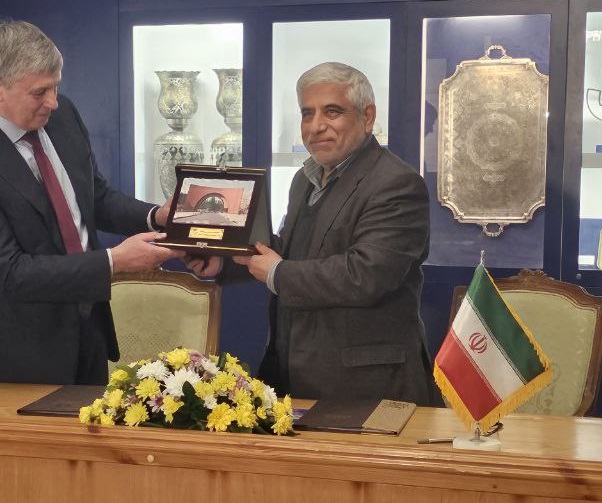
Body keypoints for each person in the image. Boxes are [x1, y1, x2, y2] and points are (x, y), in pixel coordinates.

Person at [0, 19, 181, 386]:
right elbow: (9, 272)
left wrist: (156, 216)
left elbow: (95, 198)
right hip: (18, 356)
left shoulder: (63, 116)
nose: (53, 102)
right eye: (40, 92)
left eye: (56, 87)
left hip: (88, 329)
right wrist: (113, 262)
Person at [187, 62, 441, 406]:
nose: (316, 126)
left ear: (367, 117)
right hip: (293, 378)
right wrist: (226, 261)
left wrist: (277, 273)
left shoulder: (397, 183)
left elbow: (364, 275)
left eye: (332, 112)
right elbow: (291, 252)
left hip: (367, 389)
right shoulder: (304, 179)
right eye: (307, 113)